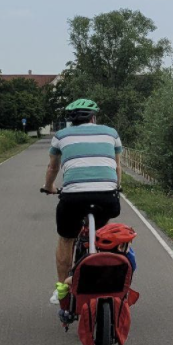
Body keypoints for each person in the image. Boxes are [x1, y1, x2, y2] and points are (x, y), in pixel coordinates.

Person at [43, 99, 123, 306]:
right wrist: (116, 187)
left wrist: (49, 187)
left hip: (73, 198)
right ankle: (106, 273)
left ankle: (62, 289)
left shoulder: (60, 136)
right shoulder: (111, 133)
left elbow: (52, 169)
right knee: (104, 236)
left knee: (66, 239)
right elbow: (117, 167)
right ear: (94, 117)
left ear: (71, 120)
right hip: (107, 196)